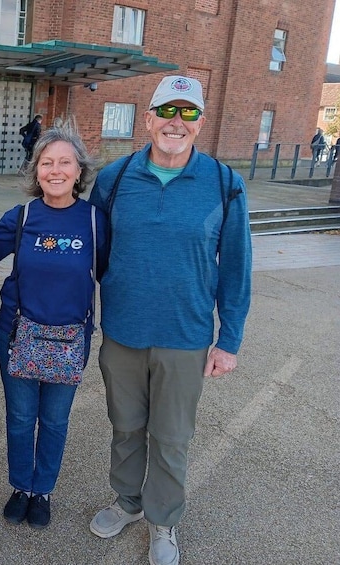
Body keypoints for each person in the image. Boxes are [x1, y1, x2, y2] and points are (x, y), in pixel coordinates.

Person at [87, 75, 252, 565]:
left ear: (200, 123)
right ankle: (128, 502)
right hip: (123, 332)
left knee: (172, 435)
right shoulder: (114, 179)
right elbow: (92, 255)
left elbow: (238, 267)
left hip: (186, 337)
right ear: (149, 117)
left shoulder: (224, 183)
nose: (176, 123)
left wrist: (230, 340)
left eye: (189, 113)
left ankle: (164, 519)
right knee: (125, 426)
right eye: (168, 111)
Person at [0, 118, 107, 529]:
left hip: (70, 338)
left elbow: (115, 273)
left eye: (64, 163)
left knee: (55, 420)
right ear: (36, 170)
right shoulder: (22, 216)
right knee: (21, 418)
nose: (55, 170)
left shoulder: (94, 221)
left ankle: (43, 492)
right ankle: (21, 486)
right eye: (46, 163)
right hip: (18, 333)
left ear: (79, 172)